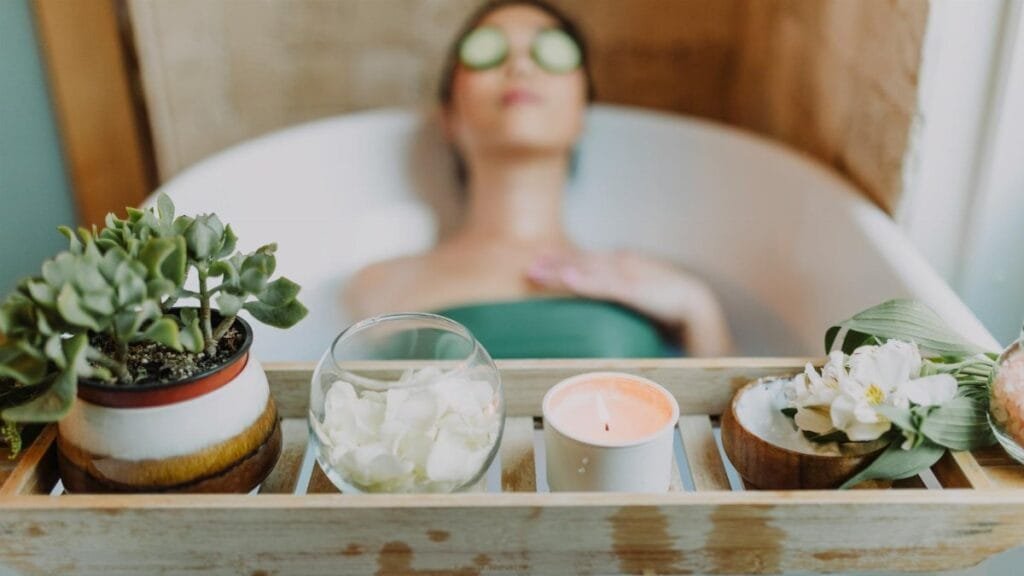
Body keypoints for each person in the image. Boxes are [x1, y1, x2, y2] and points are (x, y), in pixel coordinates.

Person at [346, 0, 733, 357]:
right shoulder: (378, 285)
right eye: (489, 51)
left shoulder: (654, 286)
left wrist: (699, 309)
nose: (520, 67)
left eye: (549, 52)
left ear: (583, 111)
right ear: (449, 117)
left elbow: (732, 423)